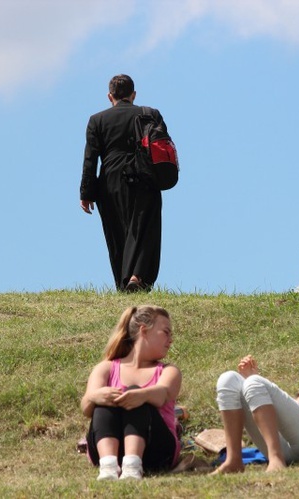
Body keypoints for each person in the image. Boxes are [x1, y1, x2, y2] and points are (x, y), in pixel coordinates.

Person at [79, 74, 168, 292]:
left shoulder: (97, 120)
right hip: (144, 176)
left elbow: (90, 158)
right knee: (145, 229)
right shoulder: (150, 114)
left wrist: (86, 192)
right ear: (133, 94)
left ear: (110, 96)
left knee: (117, 232)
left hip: (110, 182)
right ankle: (137, 277)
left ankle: (124, 282)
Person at [81, 305, 182, 480]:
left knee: (136, 394)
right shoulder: (106, 368)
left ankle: (133, 465)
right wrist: (96, 396)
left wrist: (141, 395)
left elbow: (163, 394)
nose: (170, 340)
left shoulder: (169, 371)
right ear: (144, 330)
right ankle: (108, 467)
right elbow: (86, 407)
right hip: (107, 453)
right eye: (166, 332)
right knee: (105, 399)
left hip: (156, 453)